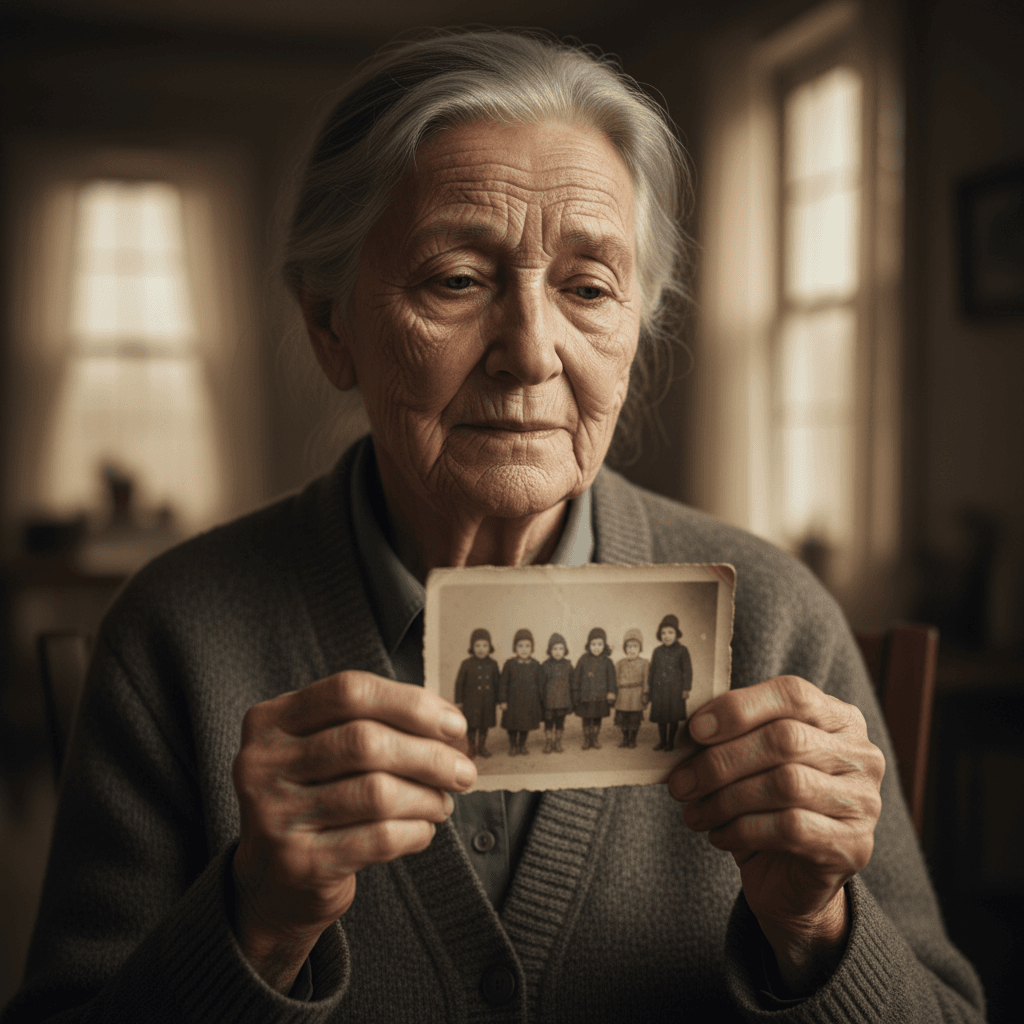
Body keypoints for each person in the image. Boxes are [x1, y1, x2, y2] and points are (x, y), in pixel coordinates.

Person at [2, 28, 985, 1024]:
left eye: (588, 287)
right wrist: (253, 922)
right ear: (330, 326)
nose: (530, 351)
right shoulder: (174, 635)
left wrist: (815, 927)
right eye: (455, 280)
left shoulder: (779, 620)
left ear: (636, 329)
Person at [453, 627, 500, 757]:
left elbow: (497, 683)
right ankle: (472, 748)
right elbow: (459, 683)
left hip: (487, 702)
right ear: (472, 647)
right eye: (477, 645)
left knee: (484, 725)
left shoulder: (493, 664)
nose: (481, 649)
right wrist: (459, 701)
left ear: (490, 647)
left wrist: (499, 700)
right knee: (471, 726)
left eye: (485, 645)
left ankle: (482, 747)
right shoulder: (466, 664)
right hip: (471, 702)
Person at [648, 613, 692, 751]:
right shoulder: (657, 651)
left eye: (670, 632)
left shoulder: (682, 650)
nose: (667, 636)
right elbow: (652, 671)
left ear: (676, 634)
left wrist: (686, 689)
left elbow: (688, 671)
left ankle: (671, 743)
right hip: (659, 690)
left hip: (675, 690)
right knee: (661, 717)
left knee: (673, 717)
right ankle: (662, 741)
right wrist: (650, 689)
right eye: (663, 633)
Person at [497, 629, 544, 756]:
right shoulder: (509, 664)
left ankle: (522, 745)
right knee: (512, 726)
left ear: (532, 648)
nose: (524, 649)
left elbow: (540, 684)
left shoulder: (536, 665)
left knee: (525, 726)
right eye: (520, 646)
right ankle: (513, 745)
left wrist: (540, 701)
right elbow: (503, 683)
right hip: (513, 703)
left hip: (529, 702)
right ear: (515, 648)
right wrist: (502, 700)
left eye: (527, 646)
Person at [571, 627, 618, 750]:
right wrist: (576, 694)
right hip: (585, 697)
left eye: (600, 644)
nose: (596, 647)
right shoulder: (583, 660)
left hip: (600, 698)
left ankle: (595, 739)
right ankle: (587, 740)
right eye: (593, 644)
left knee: (597, 719)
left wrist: (612, 692)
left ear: (604, 645)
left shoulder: (608, 662)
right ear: (588, 645)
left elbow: (611, 679)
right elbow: (576, 678)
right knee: (586, 719)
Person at [614, 626, 649, 748]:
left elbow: (646, 679)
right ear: (625, 649)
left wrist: (645, 693)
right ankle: (625, 739)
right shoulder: (619, 663)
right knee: (623, 719)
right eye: (629, 646)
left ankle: (632, 739)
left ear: (640, 648)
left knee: (634, 719)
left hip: (636, 695)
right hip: (623, 695)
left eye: (635, 646)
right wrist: (614, 694)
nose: (632, 649)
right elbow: (616, 680)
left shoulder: (644, 663)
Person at [539, 632, 573, 753]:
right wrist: (542, 700)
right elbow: (541, 685)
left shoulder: (568, 665)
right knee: (548, 723)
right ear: (550, 650)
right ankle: (549, 742)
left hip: (563, 702)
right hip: (549, 702)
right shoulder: (545, 665)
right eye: (555, 648)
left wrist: (571, 701)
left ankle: (557, 742)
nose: (558, 651)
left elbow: (572, 683)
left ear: (565, 650)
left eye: (561, 648)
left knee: (560, 723)